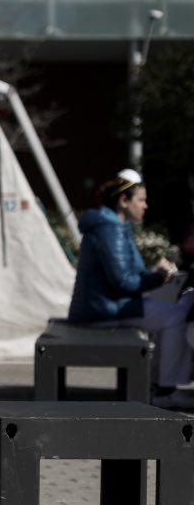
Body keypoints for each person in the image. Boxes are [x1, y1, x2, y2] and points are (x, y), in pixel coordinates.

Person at [68, 169, 194, 408]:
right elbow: (123, 283)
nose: (146, 205)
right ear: (124, 201)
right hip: (105, 310)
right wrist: (160, 276)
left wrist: (153, 272)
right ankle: (165, 390)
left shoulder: (109, 225)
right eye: (141, 200)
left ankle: (158, 385)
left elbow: (123, 275)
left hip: (101, 306)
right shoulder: (111, 229)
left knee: (168, 314)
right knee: (177, 315)